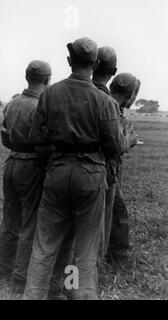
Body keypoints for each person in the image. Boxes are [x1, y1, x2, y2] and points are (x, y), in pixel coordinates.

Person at [23, 37, 122, 300]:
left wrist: (58, 152)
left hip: (56, 172)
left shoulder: (49, 94)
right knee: (85, 248)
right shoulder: (105, 102)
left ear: (69, 61)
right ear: (96, 63)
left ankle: (32, 295)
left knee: (44, 245)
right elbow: (114, 147)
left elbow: (36, 138)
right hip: (90, 176)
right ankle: (80, 294)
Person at [0, 61, 51, 294]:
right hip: (31, 166)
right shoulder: (40, 106)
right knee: (29, 222)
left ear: (26, 76)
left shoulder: (12, 104)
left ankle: (3, 268)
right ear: (48, 80)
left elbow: (5, 136)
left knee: (10, 219)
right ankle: (20, 277)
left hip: (11, 163)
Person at [106, 72, 140, 263]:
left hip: (109, 168)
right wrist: (129, 140)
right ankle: (118, 255)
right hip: (106, 169)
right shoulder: (110, 108)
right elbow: (113, 145)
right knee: (118, 211)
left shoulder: (112, 108)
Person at [92, 46, 119, 261]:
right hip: (99, 167)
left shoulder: (67, 91)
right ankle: (95, 268)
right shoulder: (107, 101)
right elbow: (113, 145)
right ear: (114, 71)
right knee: (99, 222)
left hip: (60, 169)